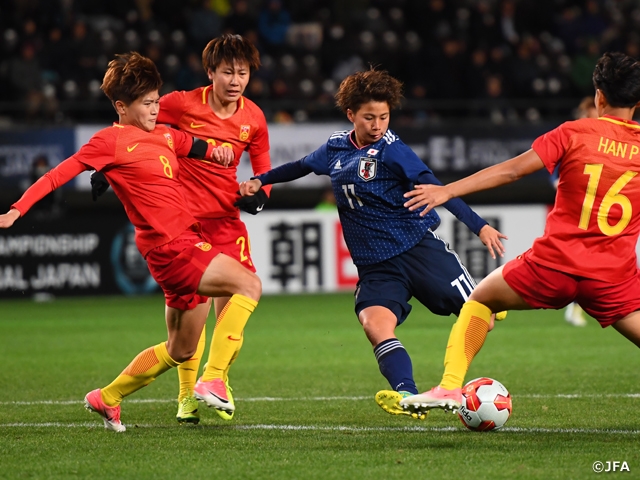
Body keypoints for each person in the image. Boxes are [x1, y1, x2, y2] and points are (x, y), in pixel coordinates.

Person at [0, 52, 262, 432]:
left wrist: (220, 153)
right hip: (173, 247)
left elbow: (198, 146)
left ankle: (107, 397)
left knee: (181, 348)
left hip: (177, 246)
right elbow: (57, 175)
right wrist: (15, 211)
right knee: (249, 284)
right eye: (147, 104)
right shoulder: (109, 141)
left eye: (157, 101)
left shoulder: (164, 135)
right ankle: (214, 378)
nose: (156, 109)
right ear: (122, 107)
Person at [239, 68, 507, 419]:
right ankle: (408, 396)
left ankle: (487, 298)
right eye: (369, 117)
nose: (378, 124)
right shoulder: (336, 147)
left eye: (384, 116)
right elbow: (301, 166)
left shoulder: (394, 151)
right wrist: (261, 179)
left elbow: (438, 189)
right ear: (351, 114)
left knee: (483, 320)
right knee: (375, 324)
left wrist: (480, 226)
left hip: (418, 251)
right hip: (376, 266)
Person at [399, 52, 640, 416]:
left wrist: (448, 191)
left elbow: (512, 172)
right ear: (637, 102)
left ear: (598, 97)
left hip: (553, 267)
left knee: (479, 301)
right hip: (612, 278)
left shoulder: (574, 132)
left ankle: (449, 387)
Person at [157, 34, 271, 424]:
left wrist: (260, 193)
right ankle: (187, 395)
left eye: (243, 73)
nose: (236, 80)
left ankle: (215, 377)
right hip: (184, 224)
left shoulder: (253, 117)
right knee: (193, 314)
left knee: (235, 307)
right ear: (210, 73)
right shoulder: (181, 103)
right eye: (228, 72)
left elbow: (264, 167)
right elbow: (138, 121)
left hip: (226, 221)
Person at [554, 96, 598, 327]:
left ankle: (576, 307)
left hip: (598, 211)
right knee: (579, 262)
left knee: (589, 262)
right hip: (575, 211)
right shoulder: (573, 135)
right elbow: (555, 174)